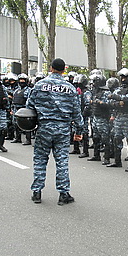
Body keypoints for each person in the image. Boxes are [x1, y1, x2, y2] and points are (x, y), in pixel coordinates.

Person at [26, 58, 83, 205]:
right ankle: (63, 194)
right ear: (64, 70)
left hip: (44, 127)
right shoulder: (69, 88)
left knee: (40, 160)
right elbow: (76, 112)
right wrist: (79, 130)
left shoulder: (39, 85)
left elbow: (29, 106)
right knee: (62, 161)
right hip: (63, 129)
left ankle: (37, 192)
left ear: (51, 68)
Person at [107, 68, 128, 171]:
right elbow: (111, 102)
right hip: (118, 116)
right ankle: (117, 161)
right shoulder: (119, 89)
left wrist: (117, 98)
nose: (123, 79)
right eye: (122, 77)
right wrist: (119, 102)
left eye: (124, 77)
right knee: (116, 138)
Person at [11, 73, 32, 145]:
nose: (22, 81)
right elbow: (13, 100)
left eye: (23, 80)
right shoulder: (16, 90)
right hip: (16, 109)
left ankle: (28, 139)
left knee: (26, 124)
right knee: (15, 123)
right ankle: (17, 138)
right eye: (20, 80)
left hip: (24, 109)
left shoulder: (29, 90)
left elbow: (30, 100)